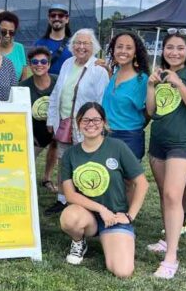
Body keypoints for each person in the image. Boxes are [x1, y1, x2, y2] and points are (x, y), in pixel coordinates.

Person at [145, 31, 186, 279]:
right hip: (159, 140)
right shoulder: (159, 74)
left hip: (182, 142)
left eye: (180, 48)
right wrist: (152, 86)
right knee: (164, 194)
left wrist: (179, 83)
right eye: (169, 47)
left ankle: (171, 257)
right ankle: (168, 238)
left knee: (174, 195)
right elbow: (152, 111)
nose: (174, 52)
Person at [58, 102, 148, 277]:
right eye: (85, 120)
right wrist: (101, 209)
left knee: (123, 271)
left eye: (96, 119)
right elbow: (69, 195)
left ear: (104, 122)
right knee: (69, 218)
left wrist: (130, 216)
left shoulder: (117, 147)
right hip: (89, 215)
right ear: (78, 123)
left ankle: (116, 237)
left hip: (115, 217)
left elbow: (142, 183)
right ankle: (79, 241)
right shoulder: (71, 154)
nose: (91, 124)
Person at [45, 28, 109, 216]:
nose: (81, 47)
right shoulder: (66, 63)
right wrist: (51, 118)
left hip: (86, 126)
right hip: (65, 122)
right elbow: (57, 92)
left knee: (84, 163)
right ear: (72, 46)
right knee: (64, 161)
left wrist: (97, 127)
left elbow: (102, 100)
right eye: (77, 43)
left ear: (94, 47)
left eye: (86, 43)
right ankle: (62, 199)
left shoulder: (98, 69)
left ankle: (83, 201)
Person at [101, 31, 150, 160]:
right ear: (113, 50)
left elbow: (149, 112)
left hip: (129, 138)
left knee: (127, 179)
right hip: (106, 135)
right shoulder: (115, 74)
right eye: (119, 46)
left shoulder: (142, 80)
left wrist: (132, 128)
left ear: (135, 53)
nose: (123, 51)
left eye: (129, 48)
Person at [20, 47, 59, 193]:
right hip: (34, 132)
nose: (39, 64)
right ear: (30, 65)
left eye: (43, 61)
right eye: (35, 62)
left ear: (48, 64)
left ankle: (47, 178)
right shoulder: (23, 87)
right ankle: (25, 183)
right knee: (27, 162)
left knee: (55, 146)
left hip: (55, 129)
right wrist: (30, 135)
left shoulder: (58, 81)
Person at [34, 4, 72, 75]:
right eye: (53, 15)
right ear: (49, 19)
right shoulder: (39, 44)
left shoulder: (74, 44)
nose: (56, 18)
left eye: (61, 15)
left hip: (67, 85)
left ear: (67, 19)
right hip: (45, 85)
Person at [0, 11, 27, 80]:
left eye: (11, 32)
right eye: (3, 32)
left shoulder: (19, 48)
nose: (7, 35)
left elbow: (24, 77)